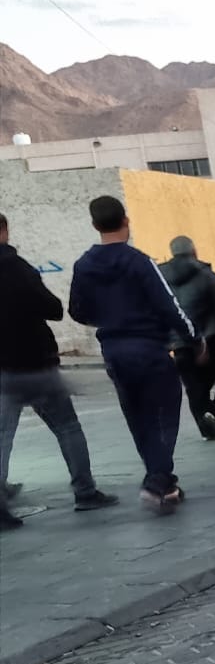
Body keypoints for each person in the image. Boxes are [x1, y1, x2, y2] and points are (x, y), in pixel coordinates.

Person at [68, 195, 200, 513]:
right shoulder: (139, 262)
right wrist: (194, 338)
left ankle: (164, 482)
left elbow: (76, 310)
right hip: (148, 348)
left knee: (137, 416)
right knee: (165, 414)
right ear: (125, 221)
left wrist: (106, 319)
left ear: (94, 225)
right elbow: (169, 305)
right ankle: (157, 480)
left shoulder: (83, 266)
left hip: (114, 351)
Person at [0, 212, 118, 529]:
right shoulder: (17, 268)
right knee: (67, 427)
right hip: (35, 364)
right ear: (4, 231)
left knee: (2, 438)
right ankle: (85, 492)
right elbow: (52, 308)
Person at [160, 235, 215, 440]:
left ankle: (207, 426)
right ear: (194, 251)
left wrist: (166, 341)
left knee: (196, 389)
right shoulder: (205, 274)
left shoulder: (159, 277)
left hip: (181, 343)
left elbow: (156, 310)